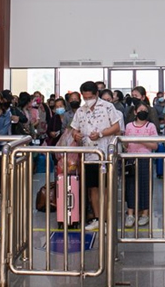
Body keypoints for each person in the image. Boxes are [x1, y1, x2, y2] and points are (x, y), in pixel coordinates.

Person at [71, 81, 122, 231]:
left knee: (105, 188)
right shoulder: (80, 110)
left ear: (96, 94)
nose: (88, 100)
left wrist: (100, 134)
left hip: (104, 154)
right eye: (85, 97)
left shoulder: (108, 107)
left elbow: (116, 127)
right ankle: (97, 218)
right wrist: (76, 135)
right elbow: (74, 129)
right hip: (88, 155)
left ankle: (107, 219)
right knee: (93, 188)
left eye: (90, 97)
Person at [123, 102, 157, 228]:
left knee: (145, 186)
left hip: (145, 159)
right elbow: (125, 144)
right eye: (140, 109)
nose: (142, 112)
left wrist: (142, 140)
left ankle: (145, 214)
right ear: (135, 112)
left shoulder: (151, 126)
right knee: (131, 186)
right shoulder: (129, 126)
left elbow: (155, 145)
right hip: (131, 159)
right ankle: (130, 213)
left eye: (145, 110)